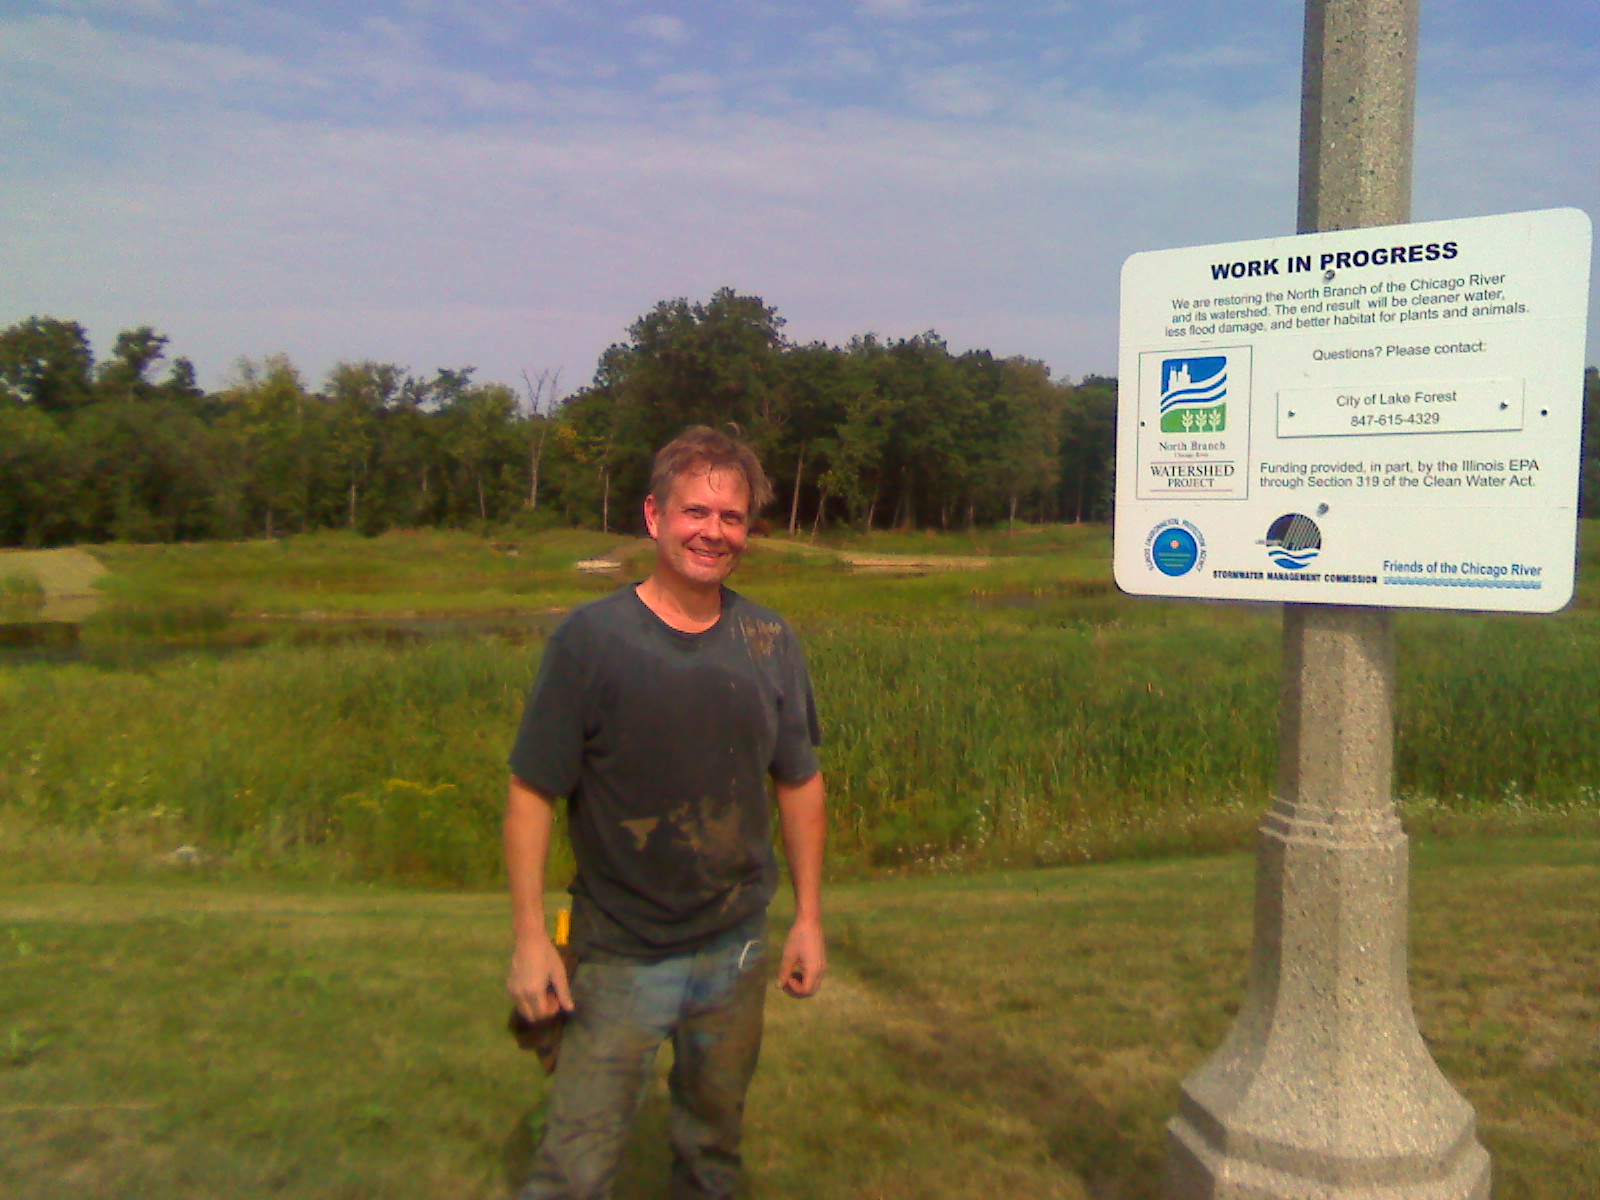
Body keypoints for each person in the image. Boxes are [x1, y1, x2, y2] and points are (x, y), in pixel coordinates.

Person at [504, 425, 827, 1200]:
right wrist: (529, 939)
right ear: (654, 516)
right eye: (696, 512)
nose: (713, 531)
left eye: (731, 517)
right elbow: (530, 792)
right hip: (618, 951)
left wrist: (808, 917)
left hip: (736, 948)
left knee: (713, 1153)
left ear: (747, 531)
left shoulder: (769, 640)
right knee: (574, 1167)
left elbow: (801, 785)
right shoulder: (591, 641)